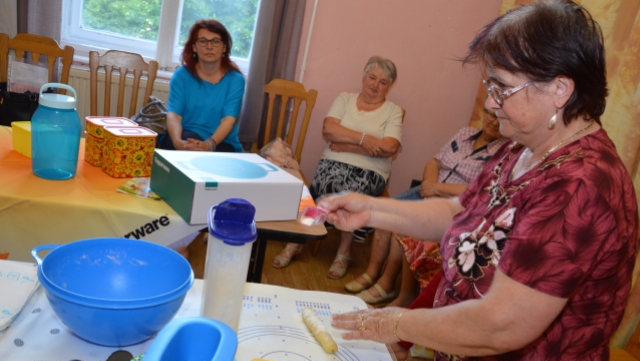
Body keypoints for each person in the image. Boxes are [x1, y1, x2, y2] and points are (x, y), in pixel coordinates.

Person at [320, 1, 639, 361]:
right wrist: (373, 210)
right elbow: (462, 214)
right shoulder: (525, 144)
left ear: (560, 88)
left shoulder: (582, 187)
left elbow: (500, 323)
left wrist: (393, 323)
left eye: (502, 88)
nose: (490, 103)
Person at [344, 109, 506, 306]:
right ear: (484, 114)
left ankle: (386, 286)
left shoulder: (503, 153)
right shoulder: (465, 133)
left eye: (500, 117)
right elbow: (434, 162)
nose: (494, 122)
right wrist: (430, 187)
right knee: (384, 214)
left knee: (402, 226)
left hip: (454, 202)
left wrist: (438, 190)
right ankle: (372, 273)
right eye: (490, 115)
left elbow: (479, 190)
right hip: (430, 190)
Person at [272, 56, 403, 279]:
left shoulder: (393, 111)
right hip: (333, 162)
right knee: (323, 182)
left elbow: (390, 147)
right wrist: (365, 140)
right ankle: (299, 239)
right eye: (372, 77)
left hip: (371, 171)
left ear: (389, 87)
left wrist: (348, 145)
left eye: (383, 82)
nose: (375, 84)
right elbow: (329, 130)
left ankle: (344, 251)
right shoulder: (345, 99)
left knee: (352, 190)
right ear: (363, 77)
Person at [162, 19, 245, 153]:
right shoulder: (182, 75)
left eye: (216, 41)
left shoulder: (236, 80)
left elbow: (228, 120)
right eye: (203, 41)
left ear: (224, 47)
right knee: (186, 144)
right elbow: (174, 115)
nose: (209, 46)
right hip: (185, 137)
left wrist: (209, 144)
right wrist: (177, 141)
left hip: (221, 142)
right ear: (194, 47)